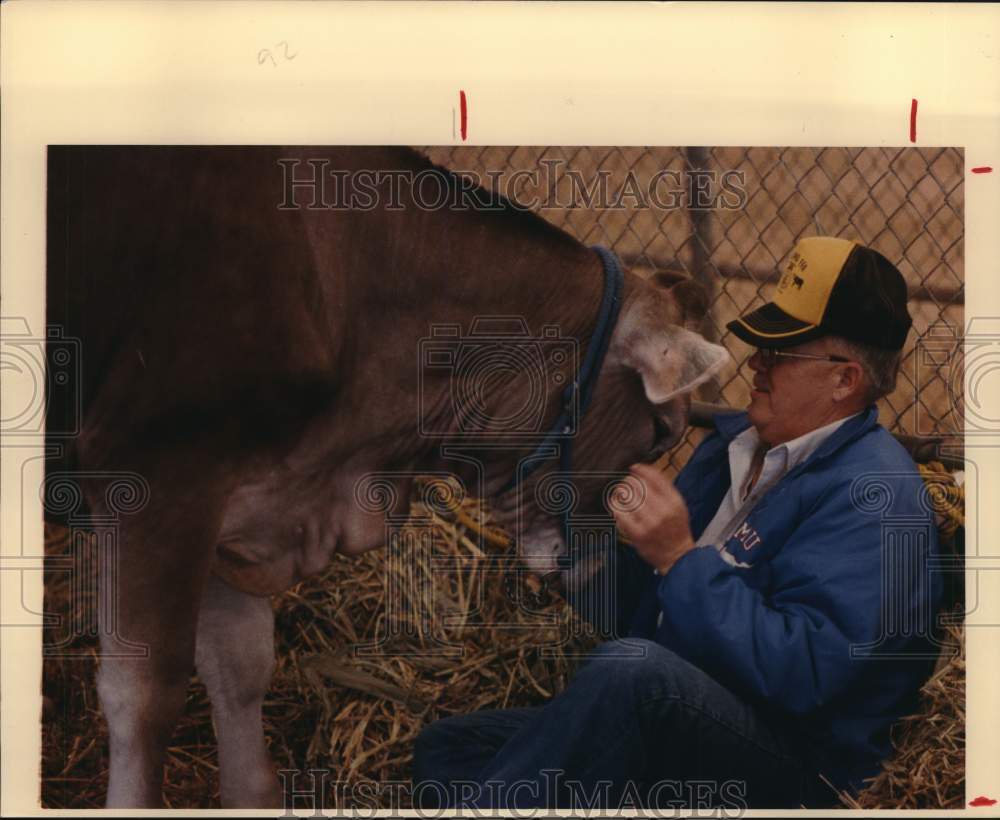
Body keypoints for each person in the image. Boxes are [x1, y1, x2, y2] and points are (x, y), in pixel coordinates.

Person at [412, 237, 943, 810]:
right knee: (453, 748)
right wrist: (566, 549)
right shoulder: (734, 448)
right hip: (685, 715)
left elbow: (805, 673)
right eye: (761, 343)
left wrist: (679, 559)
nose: (756, 362)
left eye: (782, 351)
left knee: (630, 676)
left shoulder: (874, 494)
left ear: (845, 380)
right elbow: (654, 614)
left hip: (797, 765)